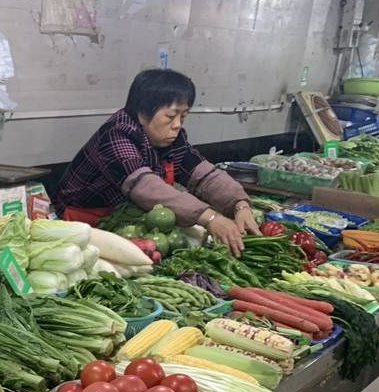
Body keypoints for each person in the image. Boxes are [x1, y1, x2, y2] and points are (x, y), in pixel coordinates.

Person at [55, 69, 260, 255]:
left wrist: (239, 203)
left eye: (183, 116)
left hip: (128, 224)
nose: (177, 125)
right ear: (143, 114)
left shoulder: (171, 138)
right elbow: (144, 186)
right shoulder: (117, 134)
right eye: (170, 116)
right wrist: (210, 218)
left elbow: (202, 173)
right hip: (84, 225)